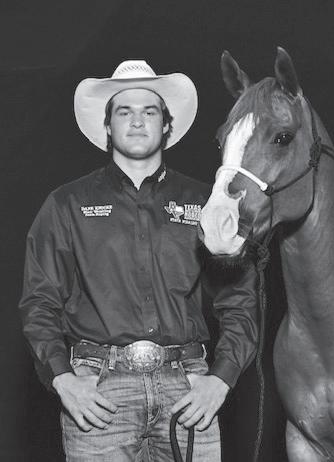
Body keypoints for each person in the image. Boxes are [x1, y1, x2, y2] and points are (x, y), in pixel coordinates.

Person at [18, 60, 258, 461]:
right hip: (99, 392)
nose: (136, 121)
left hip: (187, 391)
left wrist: (222, 378)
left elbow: (239, 298)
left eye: (149, 111)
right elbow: (39, 302)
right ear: (107, 125)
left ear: (166, 125)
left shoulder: (205, 203)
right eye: (123, 111)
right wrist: (62, 378)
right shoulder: (66, 205)